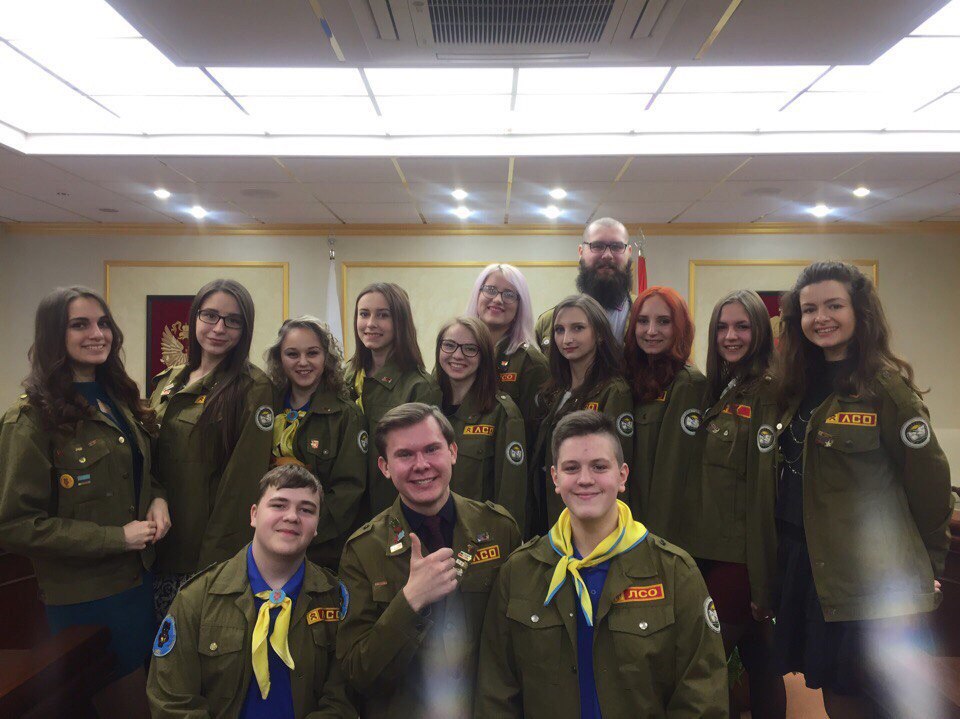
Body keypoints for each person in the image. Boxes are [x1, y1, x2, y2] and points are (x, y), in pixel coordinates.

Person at [770, 261, 954, 718]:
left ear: (859, 311)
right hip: (812, 567)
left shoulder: (886, 388)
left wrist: (926, 564)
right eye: (809, 309)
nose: (821, 318)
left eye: (834, 305)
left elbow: (931, 485)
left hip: (870, 576)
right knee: (833, 689)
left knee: (871, 694)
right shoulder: (797, 384)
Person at [475, 410, 727, 718]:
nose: (585, 479)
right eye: (571, 468)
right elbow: (496, 692)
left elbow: (701, 695)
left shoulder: (674, 572)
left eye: (599, 466)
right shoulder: (520, 573)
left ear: (622, 476)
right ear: (555, 478)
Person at [0, 286, 169, 718]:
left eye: (103, 323)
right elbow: (16, 526)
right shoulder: (31, 418)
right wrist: (115, 538)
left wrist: (158, 499)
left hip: (138, 583)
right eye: (80, 325)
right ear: (54, 335)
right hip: (86, 597)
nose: (97, 334)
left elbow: (140, 473)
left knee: (150, 697)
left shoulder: (119, 399)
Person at [336, 402, 521, 719]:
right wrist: (410, 601)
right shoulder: (363, 551)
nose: (421, 465)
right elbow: (357, 673)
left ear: (453, 452)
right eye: (405, 455)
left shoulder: (499, 530)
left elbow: (520, 648)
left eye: (432, 449)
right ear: (384, 467)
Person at [147, 464, 356, 719]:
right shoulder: (197, 598)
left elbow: (342, 698)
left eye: (306, 510)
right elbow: (171, 701)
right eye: (279, 505)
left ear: (316, 526)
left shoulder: (335, 599)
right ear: (254, 515)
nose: (292, 516)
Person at [150, 278, 274, 617]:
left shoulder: (253, 388)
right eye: (210, 316)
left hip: (198, 557)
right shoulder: (168, 381)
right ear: (194, 318)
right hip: (151, 546)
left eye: (233, 321)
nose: (219, 328)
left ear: (245, 329)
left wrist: (213, 567)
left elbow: (241, 486)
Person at [686, 289, 784, 718]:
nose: (731, 336)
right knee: (760, 661)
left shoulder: (766, 392)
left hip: (740, 559)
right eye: (723, 327)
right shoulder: (722, 388)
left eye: (742, 326)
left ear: (760, 331)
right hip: (709, 550)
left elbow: (763, 492)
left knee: (708, 665)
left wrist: (762, 582)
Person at [265, 316, 367, 570]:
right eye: (292, 354)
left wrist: (303, 529)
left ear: (326, 358)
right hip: (267, 541)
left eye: (312, 353)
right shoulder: (264, 407)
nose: (303, 362)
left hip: (321, 550)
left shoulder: (346, 415)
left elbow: (348, 491)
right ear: (279, 358)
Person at [531, 294, 633, 535]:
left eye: (578, 328)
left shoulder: (613, 391)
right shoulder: (556, 391)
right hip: (552, 513)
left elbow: (615, 469)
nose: (567, 339)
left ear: (599, 334)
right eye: (559, 330)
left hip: (592, 523)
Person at [344, 282, 441, 517]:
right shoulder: (345, 377)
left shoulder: (418, 386)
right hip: (345, 511)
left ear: (400, 322)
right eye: (364, 314)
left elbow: (423, 463)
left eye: (383, 315)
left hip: (393, 511)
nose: (370, 323)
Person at [622, 286, 708, 536]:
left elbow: (671, 478)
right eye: (642, 321)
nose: (651, 331)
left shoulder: (688, 384)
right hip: (625, 521)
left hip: (654, 531)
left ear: (680, 327)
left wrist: (652, 543)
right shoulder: (630, 380)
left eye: (663, 322)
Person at [433, 316, 528, 528]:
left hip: (477, 535)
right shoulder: (426, 405)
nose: (458, 355)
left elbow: (511, 494)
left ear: (484, 356)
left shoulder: (503, 413)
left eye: (470, 349)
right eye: (449, 345)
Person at [464, 263, 549, 442]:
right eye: (490, 290)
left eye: (509, 294)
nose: (497, 300)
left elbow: (536, 437)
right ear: (477, 295)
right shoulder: (454, 352)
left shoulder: (531, 363)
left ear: (520, 305)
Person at [535, 218, 635, 351]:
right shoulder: (548, 323)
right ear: (581, 252)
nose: (607, 255)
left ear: (629, 253)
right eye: (597, 246)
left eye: (617, 247)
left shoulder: (646, 315)